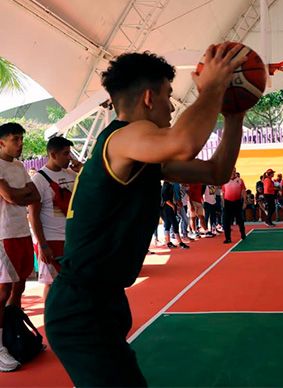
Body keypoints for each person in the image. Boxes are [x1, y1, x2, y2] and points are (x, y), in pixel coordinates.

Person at [44, 45, 248, 386]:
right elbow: (185, 141)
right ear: (149, 98)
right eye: (169, 96)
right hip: (82, 307)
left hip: (100, 301)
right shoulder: (124, 138)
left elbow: (216, 171)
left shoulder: (141, 153)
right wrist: (212, 87)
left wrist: (234, 115)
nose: (172, 105)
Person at [0, 122, 41, 372]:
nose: (20, 143)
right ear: (1, 142)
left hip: (22, 232)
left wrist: (18, 193)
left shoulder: (18, 167)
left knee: (20, 286)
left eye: (21, 139)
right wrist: (19, 193)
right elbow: (12, 197)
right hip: (3, 235)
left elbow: (34, 195)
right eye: (15, 139)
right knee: (3, 291)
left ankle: (13, 336)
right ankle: (0, 347)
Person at [29, 137, 79, 301]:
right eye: (65, 154)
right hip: (51, 239)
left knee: (72, 281)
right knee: (52, 283)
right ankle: (50, 319)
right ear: (53, 154)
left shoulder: (72, 174)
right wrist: (42, 245)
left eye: (69, 153)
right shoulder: (39, 179)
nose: (69, 157)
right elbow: (33, 215)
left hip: (71, 238)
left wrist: (82, 169)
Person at [221, 167, 246, 243]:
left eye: (234, 171)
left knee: (240, 220)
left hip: (237, 202)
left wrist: (244, 202)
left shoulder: (240, 180)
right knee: (226, 221)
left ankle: (243, 233)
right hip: (228, 203)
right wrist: (223, 203)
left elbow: (243, 191)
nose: (232, 172)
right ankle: (228, 238)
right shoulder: (224, 181)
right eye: (231, 171)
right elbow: (222, 193)